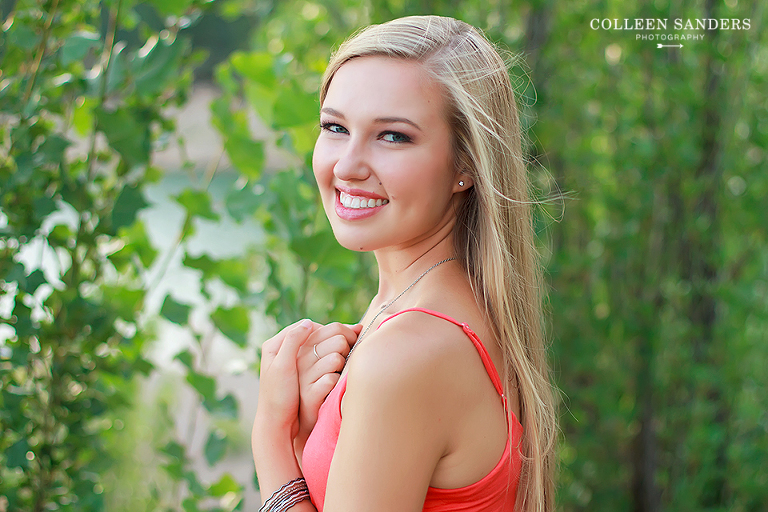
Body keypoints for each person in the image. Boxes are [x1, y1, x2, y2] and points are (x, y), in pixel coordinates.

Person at [252, 15, 557, 512]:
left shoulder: (408, 353)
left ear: (466, 164)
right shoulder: (421, 311)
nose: (347, 165)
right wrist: (314, 431)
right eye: (335, 127)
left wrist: (273, 439)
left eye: (392, 136)